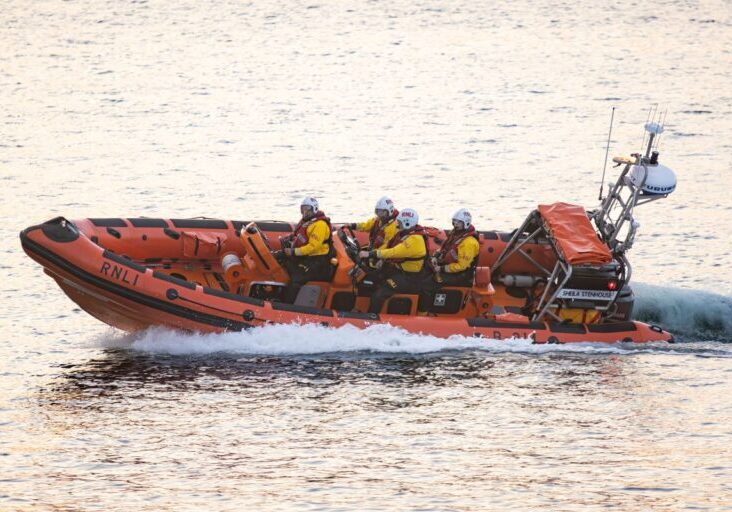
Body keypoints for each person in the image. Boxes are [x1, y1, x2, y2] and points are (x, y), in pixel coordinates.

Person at [358, 208, 428, 314]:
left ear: (407, 223)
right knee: (372, 276)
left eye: (399, 223)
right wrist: (377, 256)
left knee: (379, 294)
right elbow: (387, 246)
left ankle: (371, 318)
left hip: (410, 278)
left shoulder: (415, 240)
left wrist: (371, 254)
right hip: (398, 270)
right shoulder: (403, 234)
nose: (397, 225)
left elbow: (394, 252)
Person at [278, 197, 334, 303]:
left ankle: (286, 305)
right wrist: (289, 237)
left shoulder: (320, 225)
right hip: (306, 257)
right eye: (303, 209)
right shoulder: (306, 221)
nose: (305, 211)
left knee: (296, 279)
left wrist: (293, 252)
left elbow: (313, 247)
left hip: (318, 261)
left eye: (307, 209)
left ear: (314, 209)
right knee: (281, 258)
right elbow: (297, 234)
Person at [430, 208, 480, 287]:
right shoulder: (455, 233)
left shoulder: (469, 243)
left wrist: (441, 268)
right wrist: (435, 256)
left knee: (430, 280)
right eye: (454, 221)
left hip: (461, 275)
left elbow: (461, 266)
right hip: (449, 267)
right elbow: (445, 248)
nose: (455, 224)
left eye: (459, 222)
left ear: (466, 223)